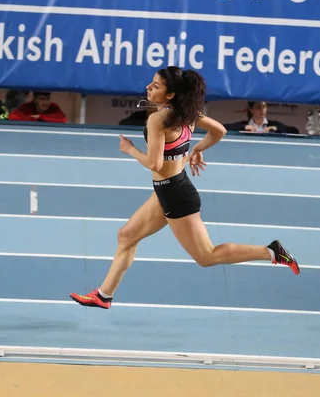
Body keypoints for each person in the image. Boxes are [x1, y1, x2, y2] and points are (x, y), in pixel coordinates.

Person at [70, 66, 300, 310]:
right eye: (151, 83)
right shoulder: (186, 113)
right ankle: (104, 295)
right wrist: (198, 149)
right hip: (169, 189)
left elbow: (154, 163)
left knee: (206, 256)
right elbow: (219, 131)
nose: (148, 87)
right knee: (126, 235)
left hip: (176, 195)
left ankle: (272, 252)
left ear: (170, 95)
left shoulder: (158, 119)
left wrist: (130, 149)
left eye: (156, 86)